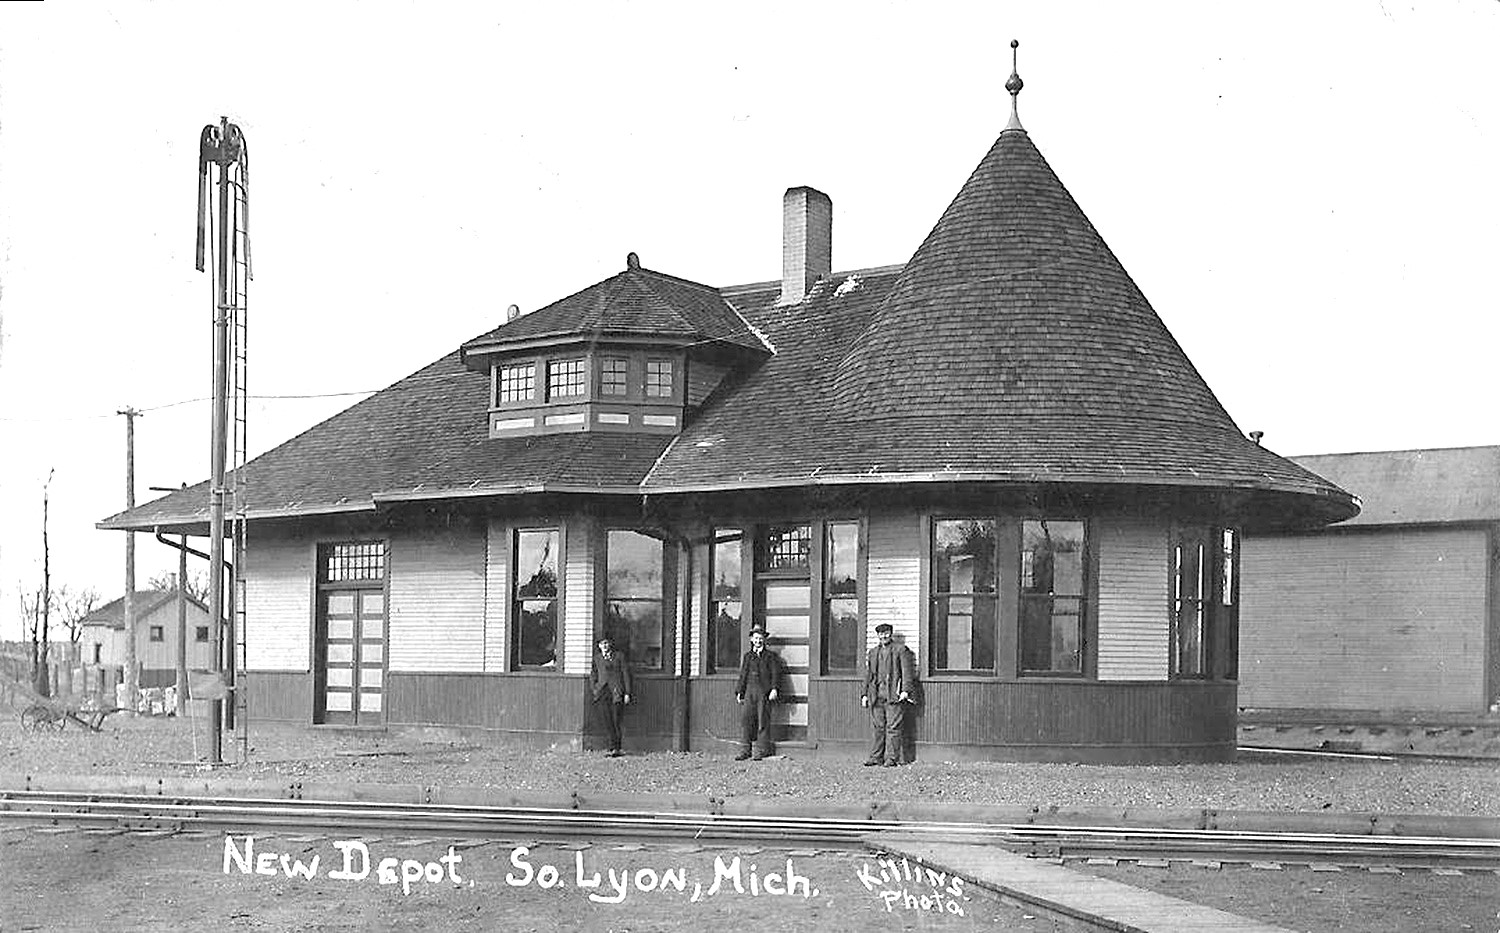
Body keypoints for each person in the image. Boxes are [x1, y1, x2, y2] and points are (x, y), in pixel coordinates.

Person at [861, 622, 916, 767]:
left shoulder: (901, 650)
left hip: (894, 695)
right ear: (877, 635)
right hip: (876, 695)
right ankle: (875, 757)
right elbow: (869, 675)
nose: (883, 636)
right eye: (881, 634)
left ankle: (891, 758)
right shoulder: (873, 653)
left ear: (890, 634)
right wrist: (865, 694)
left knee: (893, 727)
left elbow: (906, 672)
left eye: (886, 633)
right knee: (878, 728)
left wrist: (905, 690)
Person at [734, 625, 784, 761]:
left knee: (763, 720)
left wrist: (774, 689)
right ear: (751, 640)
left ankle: (761, 750)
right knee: (746, 720)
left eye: (760, 638)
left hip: (764, 691)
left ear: (764, 640)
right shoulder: (748, 657)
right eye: (756, 638)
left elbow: (775, 674)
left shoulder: (770, 657)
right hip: (749, 690)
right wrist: (740, 691)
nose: (758, 641)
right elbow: (743, 674)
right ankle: (745, 750)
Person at [589, 634, 632, 757]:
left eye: (606, 643)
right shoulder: (597, 658)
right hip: (602, 692)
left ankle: (617, 748)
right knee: (607, 720)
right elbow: (593, 675)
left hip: (616, 692)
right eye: (602, 644)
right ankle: (611, 747)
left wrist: (627, 692)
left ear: (610, 644)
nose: (605, 646)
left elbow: (625, 674)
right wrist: (595, 689)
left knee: (616, 719)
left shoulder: (619, 657)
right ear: (599, 646)